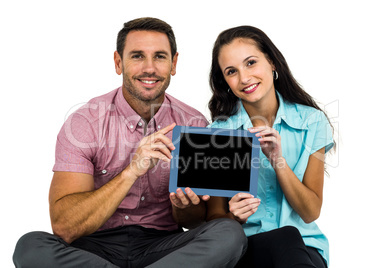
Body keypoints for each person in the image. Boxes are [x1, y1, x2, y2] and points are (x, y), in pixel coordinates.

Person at [13, 17, 247, 268]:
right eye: (137, 56)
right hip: (93, 247)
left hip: (164, 247)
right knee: (30, 246)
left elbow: (196, 222)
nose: (149, 68)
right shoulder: (84, 123)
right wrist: (132, 171)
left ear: (173, 63)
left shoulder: (193, 124)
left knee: (229, 233)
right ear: (118, 62)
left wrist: (183, 207)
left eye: (159, 56)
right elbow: (65, 227)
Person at [206, 25, 335, 268]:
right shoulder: (219, 133)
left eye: (251, 62)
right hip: (245, 250)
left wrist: (278, 161)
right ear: (225, 81)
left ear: (272, 63)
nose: (244, 78)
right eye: (231, 71)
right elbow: (214, 217)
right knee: (285, 238)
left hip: (305, 249)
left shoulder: (312, 122)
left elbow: (310, 212)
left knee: (289, 238)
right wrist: (233, 216)